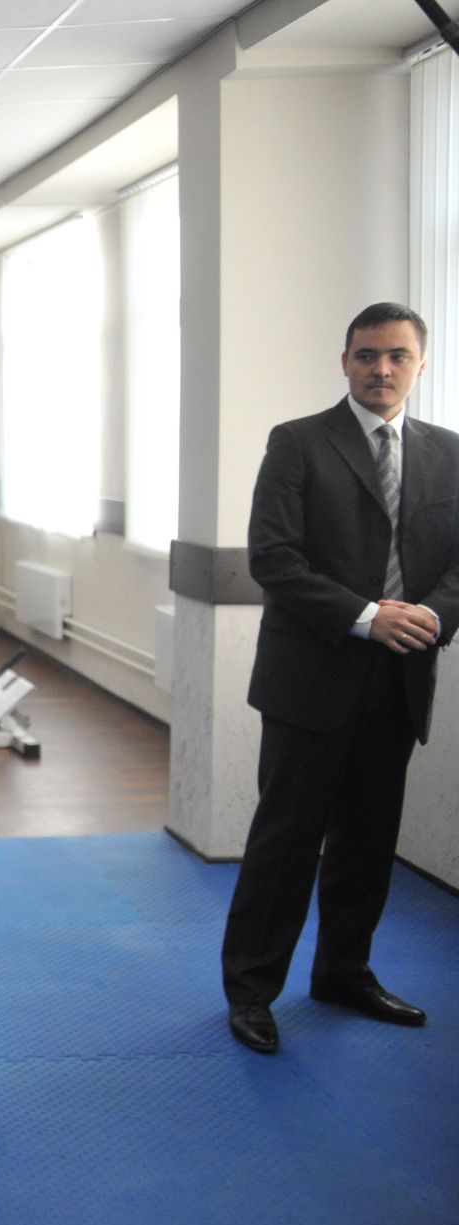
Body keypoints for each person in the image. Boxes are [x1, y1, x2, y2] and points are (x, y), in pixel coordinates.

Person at [221, 302, 459, 1055]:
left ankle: (344, 972)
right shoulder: (297, 443)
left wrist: (425, 616)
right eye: (365, 355)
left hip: (399, 679)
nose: (380, 369)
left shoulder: (450, 452)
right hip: (309, 680)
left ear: (421, 364)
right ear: (345, 361)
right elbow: (273, 558)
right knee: (286, 842)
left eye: (396, 356)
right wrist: (366, 614)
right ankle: (253, 990)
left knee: (367, 840)